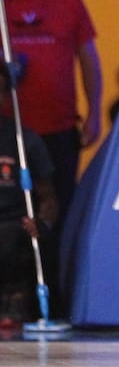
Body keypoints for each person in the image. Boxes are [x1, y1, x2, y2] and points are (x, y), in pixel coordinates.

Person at [1, 0, 101, 238]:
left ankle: (58, 283)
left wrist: (95, 112)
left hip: (58, 129)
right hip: (7, 131)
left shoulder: (67, 2)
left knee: (60, 210)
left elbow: (89, 61)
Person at [0, 62, 57, 324]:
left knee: (12, 235)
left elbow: (48, 198)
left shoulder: (24, 140)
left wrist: (42, 223)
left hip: (13, 223)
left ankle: (14, 300)